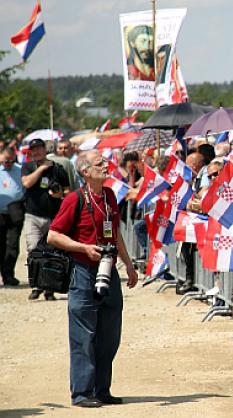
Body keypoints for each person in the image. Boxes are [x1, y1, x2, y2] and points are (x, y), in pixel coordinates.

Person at [47, 150, 138, 407]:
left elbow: (115, 232)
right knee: (83, 335)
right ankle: (82, 393)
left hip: (109, 271)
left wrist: (129, 265)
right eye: (100, 163)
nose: (106, 165)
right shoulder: (74, 199)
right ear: (85, 172)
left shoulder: (108, 196)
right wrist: (83, 248)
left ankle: (102, 388)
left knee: (109, 334)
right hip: (83, 272)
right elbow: (53, 236)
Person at [22, 138, 69, 300]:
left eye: (39, 149)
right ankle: (36, 285)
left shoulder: (57, 168)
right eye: (33, 150)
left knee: (52, 252)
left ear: (45, 149)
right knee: (33, 248)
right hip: (33, 216)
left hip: (54, 217)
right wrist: (41, 169)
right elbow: (27, 183)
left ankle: (49, 287)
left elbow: (67, 190)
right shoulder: (27, 166)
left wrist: (60, 195)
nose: (36, 152)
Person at [0, 147, 25, 285]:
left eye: (10, 161)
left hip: (15, 211)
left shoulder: (20, 170)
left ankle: (9, 274)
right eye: (5, 161)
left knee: (13, 244)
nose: (7, 163)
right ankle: (3, 272)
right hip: (0, 213)